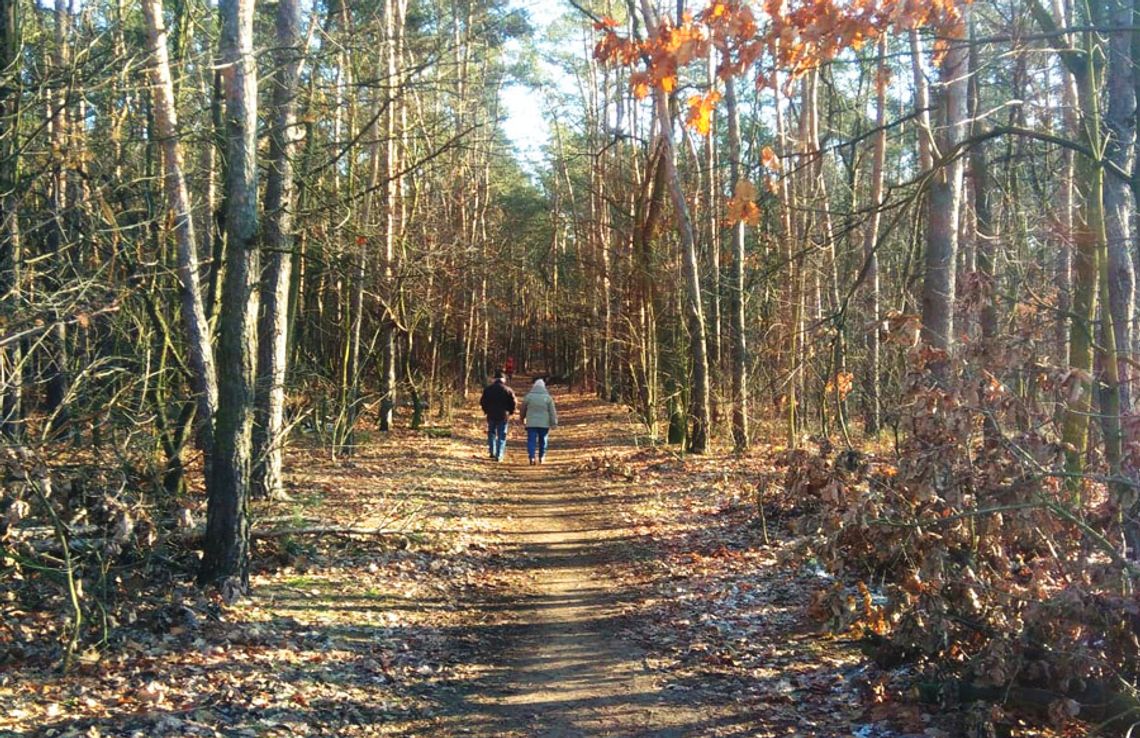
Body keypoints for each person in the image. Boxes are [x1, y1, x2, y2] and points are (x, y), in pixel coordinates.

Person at [479, 370, 516, 462]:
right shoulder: (508, 390)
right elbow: (513, 402)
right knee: (501, 435)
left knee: (491, 433)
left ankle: (492, 452)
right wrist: (511, 412)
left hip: (491, 414)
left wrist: (486, 410)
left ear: (494, 379)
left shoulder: (488, 389)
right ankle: (499, 455)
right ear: (503, 379)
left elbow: (483, 401)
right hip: (503, 415)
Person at [520, 378, 558, 465]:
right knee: (543, 440)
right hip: (544, 424)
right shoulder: (548, 398)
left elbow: (523, 409)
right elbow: (552, 412)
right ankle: (542, 456)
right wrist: (553, 423)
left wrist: (522, 418)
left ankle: (532, 457)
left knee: (531, 440)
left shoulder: (528, 397)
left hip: (531, 423)